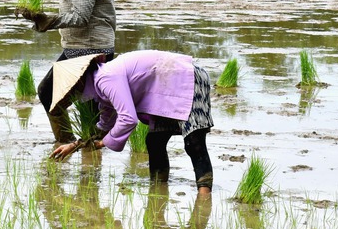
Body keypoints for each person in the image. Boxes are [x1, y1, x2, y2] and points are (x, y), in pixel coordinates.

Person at [45, 50, 214, 194]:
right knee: (154, 142)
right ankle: (158, 192)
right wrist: (75, 145)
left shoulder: (105, 78)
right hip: (165, 85)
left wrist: (103, 143)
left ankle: (204, 199)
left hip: (185, 77)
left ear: (79, 80)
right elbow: (105, 124)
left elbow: (128, 119)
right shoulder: (100, 88)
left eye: (70, 92)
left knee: (194, 142)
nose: (72, 97)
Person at [19, 0, 117, 144]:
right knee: (88, 104)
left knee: (49, 93)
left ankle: (67, 145)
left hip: (90, 49)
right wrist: (39, 18)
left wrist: (50, 21)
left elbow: (81, 17)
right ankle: (84, 153)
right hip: (84, 47)